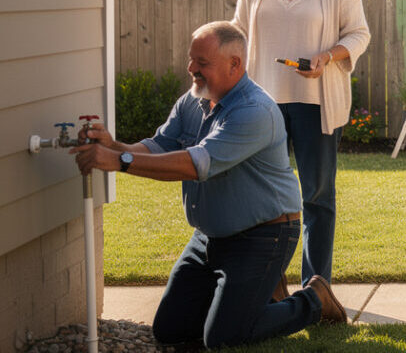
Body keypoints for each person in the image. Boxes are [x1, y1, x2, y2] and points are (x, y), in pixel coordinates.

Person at [69, 22, 347, 348]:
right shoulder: (193, 100)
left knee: (224, 338)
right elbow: (160, 146)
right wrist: (116, 147)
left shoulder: (254, 111)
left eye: (202, 63)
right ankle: (259, 296)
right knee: (171, 330)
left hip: (264, 235)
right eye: (191, 60)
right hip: (209, 237)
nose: (191, 69)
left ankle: (314, 300)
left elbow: (196, 164)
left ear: (235, 65)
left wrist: (117, 162)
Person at [231, 0, 370, 288]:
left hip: (316, 103)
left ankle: (316, 288)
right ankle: (267, 282)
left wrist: (327, 57)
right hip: (261, 102)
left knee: (317, 197)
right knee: (262, 196)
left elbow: (359, 33)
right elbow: (239, 30)